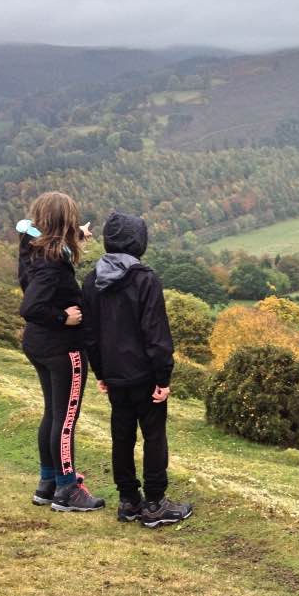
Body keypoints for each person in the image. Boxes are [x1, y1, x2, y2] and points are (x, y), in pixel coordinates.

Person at [82, 211, 192, 528]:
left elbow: (90, 334)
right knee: (154, 437)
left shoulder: (91, 281)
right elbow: (156, 335)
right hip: (145, 375)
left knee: (122, 435)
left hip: (115, 375)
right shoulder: (145, 280)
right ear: (139, 241)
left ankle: (128, 501)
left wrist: (101, 372)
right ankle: (155, 504)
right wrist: (163, 378)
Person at [18, 191, 105, 512]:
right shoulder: (54, 265)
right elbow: (31, 306)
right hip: (62, 348)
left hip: (37, 344)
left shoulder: (30, 245)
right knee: (66, 421)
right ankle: (68, 488)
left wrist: (78, 233)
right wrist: (63, 318)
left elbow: (48, 242)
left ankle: (48, 482)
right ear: (63, 223)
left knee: (52, 415)